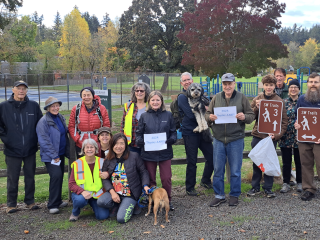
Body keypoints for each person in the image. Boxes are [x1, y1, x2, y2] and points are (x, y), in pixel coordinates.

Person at [205, 73, 255, 207]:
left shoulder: (241, 97)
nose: (227, 86)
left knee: (235, 170)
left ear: (234, 84)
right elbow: (207, 114)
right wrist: (210, 118)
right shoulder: (216, 98)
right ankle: (219, 195)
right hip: (219, 139)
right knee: (218, 169)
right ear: (222, 85)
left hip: (236, 139)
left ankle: (234, 195)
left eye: (230, 83)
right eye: (225, 84)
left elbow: (251, 115)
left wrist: (244, 116)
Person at [0, 80, 43, 214]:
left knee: (30, 176)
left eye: (24, 88)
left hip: (30, 149)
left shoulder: (33, 106)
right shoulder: (4, 107)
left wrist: (35, 141)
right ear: (13, 90)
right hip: (12, 150)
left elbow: (40, 125)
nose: (21, 91)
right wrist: (8, 140)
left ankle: (30, 201)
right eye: (19, 88)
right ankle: (11, 204)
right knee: (13, 178)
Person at [247, 74, 287, 198]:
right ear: (263, 85)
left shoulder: (279, 101)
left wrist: (277, 135)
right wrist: (256, 108)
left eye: (271, 85)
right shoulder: (257, 99)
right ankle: (255, 187)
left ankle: (268, 188)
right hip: (258, 135)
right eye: (266, 85)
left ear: (275, 86)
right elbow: (250, 117)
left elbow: (284, 122)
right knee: (257, 162)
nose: (268, 87)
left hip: (271, 137)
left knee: (268, 162)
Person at [136, 91, 177, 210]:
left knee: (166, 178)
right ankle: (154, 201)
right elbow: (139, 133)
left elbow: (173, 132)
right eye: (153, 100)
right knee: (151, 179)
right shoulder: (144, 116)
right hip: (149, 153)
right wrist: (140, 141)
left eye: (157, 100)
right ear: (149, 101)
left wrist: (171, 139)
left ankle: (167, 200)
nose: (155, 102)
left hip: (165, 152)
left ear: (161, 101)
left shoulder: (168, 115)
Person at [97, 133, 150, 223]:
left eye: (122, 143)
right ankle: (117, 205)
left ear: (125, 145)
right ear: (112, 145)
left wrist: (145, 185)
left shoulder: (134, 156)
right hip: (115, 191)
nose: (119, 146)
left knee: (121, 219)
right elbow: (104, 178)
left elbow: (143, 171)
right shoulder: (108, 159)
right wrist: (112, 193)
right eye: (116, 144)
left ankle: (133, 205)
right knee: (101, 202)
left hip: (130, 193)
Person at [178, 72, 214, 196]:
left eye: (189, 79)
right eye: (184, 80)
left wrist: (206, 113)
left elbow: (209, 109)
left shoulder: (201, 95)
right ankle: (190, 187)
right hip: (190, 132)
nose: (187, 82)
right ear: (182, 83)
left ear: (192, 80)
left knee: (212, 156)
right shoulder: (182, 97)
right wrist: (205, 112)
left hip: (204, 130)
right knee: (192, 160)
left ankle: (205, 180)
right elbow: (190, 113)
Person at [36, 97, 70, 214]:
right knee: (55, 176)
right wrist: (54, 155)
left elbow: (64, 132)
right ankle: (52, 204)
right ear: (48, 108)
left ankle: (58, 200)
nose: (55, 108)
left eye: (57, 105)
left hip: (60, 154)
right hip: (51, 156)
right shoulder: (43, 122)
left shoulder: (60, 117)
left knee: (59, 176)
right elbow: (44, 141)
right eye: (52, 106)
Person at [68, 139, 110, 221]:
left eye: (92, 147)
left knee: (103, 216)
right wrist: (82, 191)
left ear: (96, 149)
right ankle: (75, 212)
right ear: (83, 150)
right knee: (79, 200)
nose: (89, 149)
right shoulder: (77, 164)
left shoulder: (102, 162)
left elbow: (109, 178)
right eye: (87, 147)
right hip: (82, 194)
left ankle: (94, 205)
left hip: (97, 194)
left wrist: (107, 174)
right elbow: (71, 184)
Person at [294, 73, 320, 201]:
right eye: (310, 82)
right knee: (306, 164)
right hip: (304, 139)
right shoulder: (302, 99)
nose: (313, 84)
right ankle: (309, 189)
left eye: (316, 82)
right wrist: (297, 124)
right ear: (307, 84)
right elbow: (297, 116)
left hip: (319, 139)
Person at [68, 87, 110, 158]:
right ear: (81, 96)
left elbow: (106, 126)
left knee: (98, 165)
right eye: (84, 95)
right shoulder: (76, 109)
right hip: (81, 143)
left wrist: (99, 139)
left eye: (88, 95)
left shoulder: (101, 108)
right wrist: (77, 139)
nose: (86, 97)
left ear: (93, 96)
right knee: (83, 166)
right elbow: (71, 126)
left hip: (97, 143)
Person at [278, 79, 302, 193]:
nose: (293, 89)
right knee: (286, 161)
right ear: (288, 89)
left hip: (299, 137)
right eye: (291, 87)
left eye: (295, 87)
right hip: (285, 136)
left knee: (299, 161)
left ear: (299, 89)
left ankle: (300, 182)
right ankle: (286, 183)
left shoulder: (303, 101)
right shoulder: (283, 102)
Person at [121, 82, 151, 154]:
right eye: (137, 91)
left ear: (146, 92)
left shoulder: (150, 106)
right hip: (131, 144)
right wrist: (122, 140)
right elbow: (123, 124)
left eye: (142, 91)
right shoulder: (128, 106)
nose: (139, 93)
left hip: (147, 144)